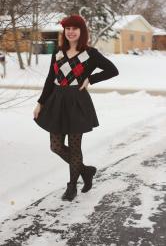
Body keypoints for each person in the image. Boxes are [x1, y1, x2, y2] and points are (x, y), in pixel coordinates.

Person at [33, 14, 119, 202]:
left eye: (75, 28)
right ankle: (85, 171)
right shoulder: (58, 51)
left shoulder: (90, 53)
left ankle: (72, 186)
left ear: (82, 31)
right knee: (55, 147)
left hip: (77, 103)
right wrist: (40, 102)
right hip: (56, 100)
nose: (71, 32)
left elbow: (113, 70)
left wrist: (90, 79)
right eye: (68, 29)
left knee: (74, 147)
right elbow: (50, 79)